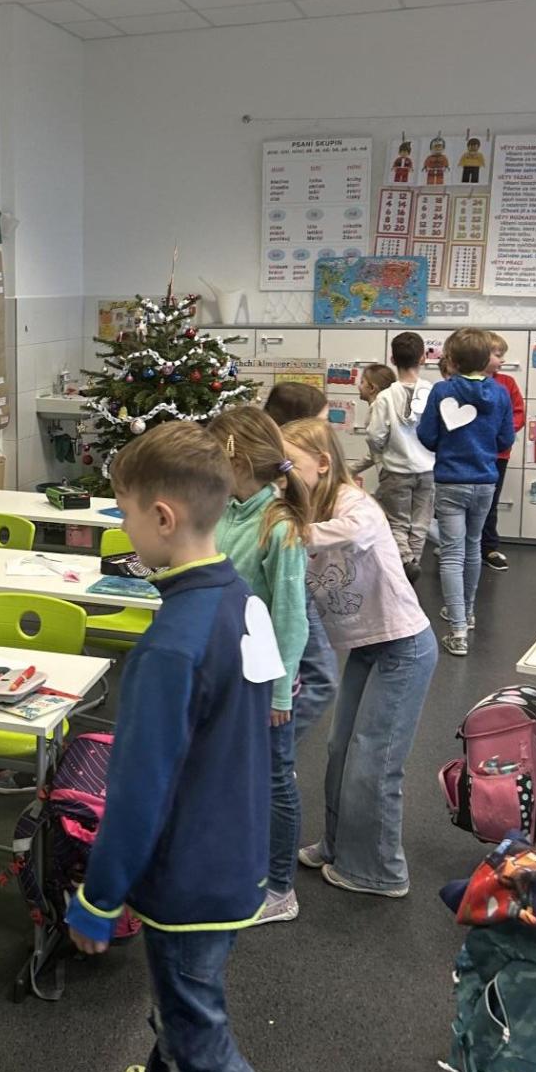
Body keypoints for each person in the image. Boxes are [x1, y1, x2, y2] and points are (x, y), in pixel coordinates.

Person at [65, 422, 345, 1072]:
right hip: (236, 856)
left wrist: (97, 898)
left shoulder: (169, 647)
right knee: (188, 1005)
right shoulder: (240, 599)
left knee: (205, 1050)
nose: (122, 528)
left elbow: (137, 793)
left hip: (188, 878)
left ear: (161, 517)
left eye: (123, 513)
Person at [282, 419, 438, 899]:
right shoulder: (299, 510)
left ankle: (380, 872)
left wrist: (292, 534)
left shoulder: (352, 501)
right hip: (368, 647)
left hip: (404, 646)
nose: (282, 474)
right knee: (340, 750)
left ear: (322, 464)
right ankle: (340, 846)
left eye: (290, 465)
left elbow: (359, 529)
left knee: (375, 757)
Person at [207, 407, 311, 927]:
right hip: (227, 670)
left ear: (239, 461)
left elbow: (291, 621)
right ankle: (239, 862)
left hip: (265, 679)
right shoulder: (229, 511)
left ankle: (280, 888)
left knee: (274, 779)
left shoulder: (279, 526)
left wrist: (279, 692)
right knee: (232, 770)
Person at [416, 328, 515, 657]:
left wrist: (450, 445)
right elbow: (505, 440)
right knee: (472, 548)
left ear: (453, 361)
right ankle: (467, 613)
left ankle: (457, 631)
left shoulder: (442, 390)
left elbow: (427, 436)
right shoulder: (500, 392)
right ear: (487, 358)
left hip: (450, 482)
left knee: (451, 553)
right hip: (485, 481)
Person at [264, 383, 337, 745]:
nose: (328, 431)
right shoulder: (278, 482)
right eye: (321, 421)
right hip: (290, 584)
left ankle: (270, 749)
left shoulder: (282, 472)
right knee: (321, 678)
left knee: (315, 677)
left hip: (293, 582)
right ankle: (270, 749)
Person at [366, 333, 434, 584]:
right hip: (427, 469)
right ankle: (413, 563)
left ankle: (405, 561)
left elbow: (375, 436)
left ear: (392, 359)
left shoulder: (385, 396)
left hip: (396, 470)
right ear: (423, 358)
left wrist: (382, 452)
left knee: (397, 522)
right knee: (420, 523)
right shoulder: (433, 393)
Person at [481, 332, 525, 572]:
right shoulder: (462, 383)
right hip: (472, 453)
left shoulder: (507, 383)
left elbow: (518, 414)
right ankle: (461, 547)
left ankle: (488, 548)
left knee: (490, 502)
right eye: (498, 354)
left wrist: (498, 436)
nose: (503, 359)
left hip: (498, 454)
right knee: (466, 503)